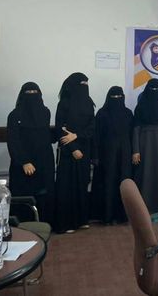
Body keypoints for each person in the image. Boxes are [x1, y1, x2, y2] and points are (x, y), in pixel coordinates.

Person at [6, 82, 55, 224]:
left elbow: (44, 135)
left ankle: (44, 223)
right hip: (23, 164)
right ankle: (22, 225)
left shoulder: (45, 112)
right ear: (22, 96)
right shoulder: (14, 115)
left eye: (35, 92)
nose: (32, 96)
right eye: (29, 93)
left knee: (44, 193)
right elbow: (13, 141)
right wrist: (24, 161)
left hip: (44, 161)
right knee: (23, 194)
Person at [54, 72, 95, 233]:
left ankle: (81, 220)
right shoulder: (64, 103)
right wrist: (74, 148)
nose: (85, 86)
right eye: (82, 84)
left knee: (82, 184)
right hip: (68, 151)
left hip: (84, 149)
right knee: (67, 186)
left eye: (87, 83)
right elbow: (60, 129)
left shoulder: (89, 103)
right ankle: (66, 223)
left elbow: (92, 127)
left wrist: (77, 135)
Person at [132, 78, 158, 214]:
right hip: (145, 143)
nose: (155, 92)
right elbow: (136, 128)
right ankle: (144, 209)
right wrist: (136, 150)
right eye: (152, 89)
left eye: (157, 89)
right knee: (146, 174)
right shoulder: (141, 107)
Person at [93, 86, 133, 223]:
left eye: (119, 97)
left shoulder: (128, 113)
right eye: (114, 97)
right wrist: (95, 156)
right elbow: (96, 136)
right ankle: (107, 215)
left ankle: (122, 216)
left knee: (124, 182)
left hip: (125, 154)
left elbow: (132, 134)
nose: (116, 99)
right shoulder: (102, 113)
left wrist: (134, 152)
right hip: (107, 154)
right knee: (108, 182)